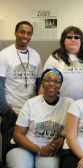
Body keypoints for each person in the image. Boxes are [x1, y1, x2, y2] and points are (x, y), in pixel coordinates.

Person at [5, 68, 74, 168]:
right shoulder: (31, 103)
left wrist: (63, 138)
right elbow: (18, 134)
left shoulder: (69, 104)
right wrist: (39, 150)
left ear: (61, 84)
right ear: (42, 83)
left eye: (56, 80)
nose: (51, 83)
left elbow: (75, 130)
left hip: (50, 150)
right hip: (24, 147)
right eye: (47, 80)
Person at [0, 21, 42, 154]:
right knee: (9, 150)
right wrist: (6, 110)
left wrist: (37, 109)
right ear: (15, 33)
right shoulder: (4, 55)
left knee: (29, 150)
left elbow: (39, 84)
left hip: (30, 113)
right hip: (11, 113)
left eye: (29, 33)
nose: (25, 36)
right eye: (22, 32)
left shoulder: (35, 55)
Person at [43, 26, 83, 100]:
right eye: (69, 37)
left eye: (76, 37)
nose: (73, 39)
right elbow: (45, 83)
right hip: (62, 105)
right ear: (63, 40)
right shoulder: (55, 57)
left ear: (81, 41)